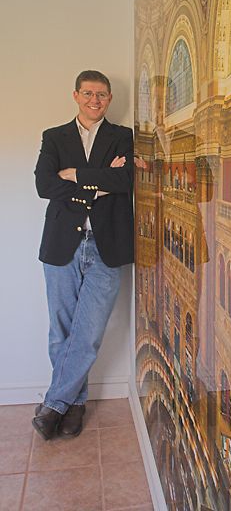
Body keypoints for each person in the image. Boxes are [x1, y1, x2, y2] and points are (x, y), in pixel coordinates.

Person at [33, 70, 134, 440]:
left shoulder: (124, 137)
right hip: (62, 244)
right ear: (76, 95)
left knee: (87, 332)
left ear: (109, 99)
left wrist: (75, 174)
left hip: (106, 246)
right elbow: (45, 185)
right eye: (88, 93)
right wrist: (98, 181)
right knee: (61, 330)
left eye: (102, 95)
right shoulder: (54, 136)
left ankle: (53, 405)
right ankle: (74, 405)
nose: (95, 100)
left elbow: (126, 182)